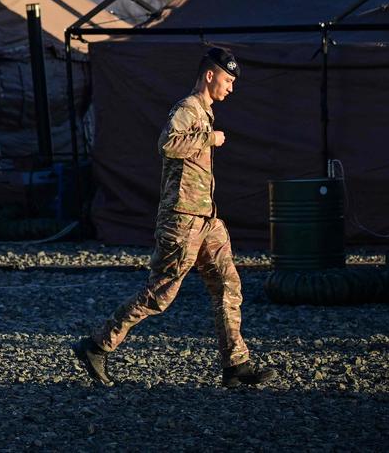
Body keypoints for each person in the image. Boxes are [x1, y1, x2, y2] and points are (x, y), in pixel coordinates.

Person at [73, 47, 276, 389]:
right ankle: (97, 345)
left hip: (205, 217)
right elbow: (168, 143)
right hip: (182, 218)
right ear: (209, 75)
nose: (231, 87)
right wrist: (209, 139)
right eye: (227, 80)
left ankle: (236, 365)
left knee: (228, 285)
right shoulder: (187, 109)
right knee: (161, 293)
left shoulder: (205, 112)